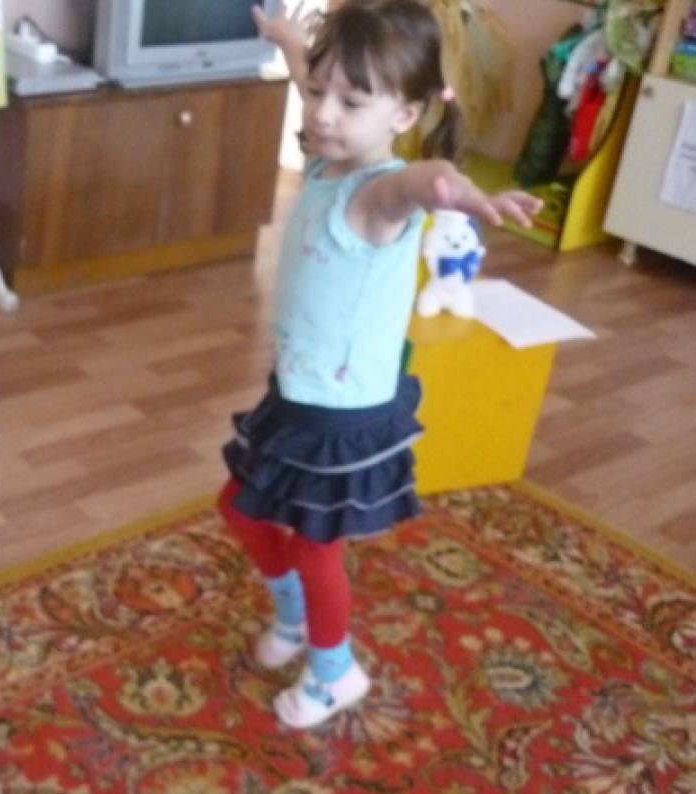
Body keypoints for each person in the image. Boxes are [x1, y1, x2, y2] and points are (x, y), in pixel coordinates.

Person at [218, 0, 541, 729]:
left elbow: (423, 179)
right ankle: (294, 619)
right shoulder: (327, 159)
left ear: (405, 114)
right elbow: (315, 88)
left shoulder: (377, 195)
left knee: (316, 551)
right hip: (297, 396)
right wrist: (290, 41)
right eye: (318, 91)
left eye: (351, 101)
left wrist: (461, 193)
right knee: (237, 507)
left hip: (341, 418)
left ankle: (336, 673)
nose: (322, 112)